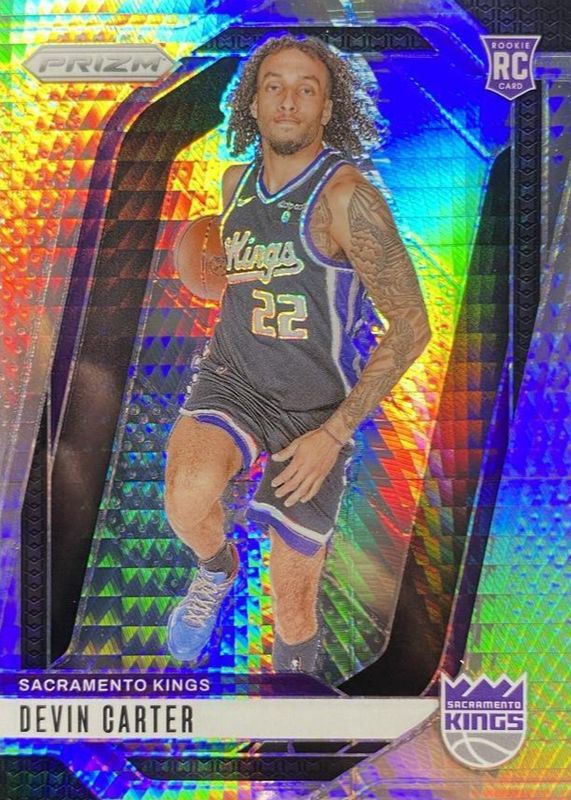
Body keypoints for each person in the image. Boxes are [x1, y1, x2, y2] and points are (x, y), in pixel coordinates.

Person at [165, 34, 431, 673]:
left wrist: (333, 436)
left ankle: (293, 705)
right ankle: (216, 568)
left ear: (326, 108)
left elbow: (412, 325)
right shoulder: (234, 185)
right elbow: (242, 274)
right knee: (185, 498)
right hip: (234, 380)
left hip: (316, 409)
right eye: (274, 86)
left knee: (293, 608)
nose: (288, 101)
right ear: (253, 103)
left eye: (306, 90)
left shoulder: (347, 198)